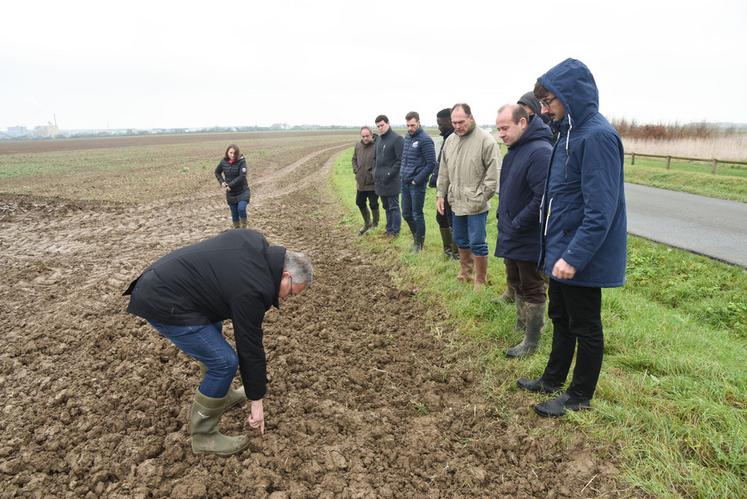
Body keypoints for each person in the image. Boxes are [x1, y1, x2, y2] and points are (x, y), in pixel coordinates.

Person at [123, 229, 313, 454]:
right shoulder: (254, 288)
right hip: (163, 299)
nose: (284, 299)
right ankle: (204, 435)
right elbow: (249, 345)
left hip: (169, 282)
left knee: (215, 328)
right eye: (290, 293)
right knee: (223, 362)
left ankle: (221, 394)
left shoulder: (254, 240)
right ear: (286, 276)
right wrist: (257, 401)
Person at [516, 58, 627, 417]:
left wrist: (574, 257)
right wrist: (553, 252)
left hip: (581, 255)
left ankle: (579, 396)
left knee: (586, 324)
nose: (545, 110)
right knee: (562, 317)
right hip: (560, 248)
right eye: (543, 103)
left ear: (572, 95)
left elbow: (600, 211)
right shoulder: (567, 134)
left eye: (550, 102)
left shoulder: (596, 137)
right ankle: (552, 379)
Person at [494, 104, 552, 358]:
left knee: (532, 285)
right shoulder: (513, 152)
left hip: (529, 234)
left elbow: (542, 197)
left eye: (505, 128)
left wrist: (518, 223)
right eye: (498, 129)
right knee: (515, 280)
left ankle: (531, 341)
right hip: (511, 231)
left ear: (523, 123)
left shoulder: (540, 152)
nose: (501, 134)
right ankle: (521, 324)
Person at [436, 103, 501, 291]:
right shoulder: (450, 141)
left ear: (471, 118)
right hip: (456, 201)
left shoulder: (485, 140)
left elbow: (493, 175)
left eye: (461, 122)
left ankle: (480, 279)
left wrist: (481, 198)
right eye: (454, 122)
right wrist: (441, 194)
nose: (457, 126)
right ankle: (465, 272)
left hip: (476, 204)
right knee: (461, 239)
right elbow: (444, 170)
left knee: (477, 242)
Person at [400, 111, 437, 252]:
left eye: (412, 125)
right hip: (405, 182)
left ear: (419, 123)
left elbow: (431, 163)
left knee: (417, 214)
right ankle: (416, 237)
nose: (410, 128)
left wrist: (417, 180)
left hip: (416, 184)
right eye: (408, 125)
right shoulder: (407, 138)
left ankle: (419, 244)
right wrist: (401, 175)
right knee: (406, 213)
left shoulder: (425, 140)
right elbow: (404, 159)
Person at [429, 108, 459, 260]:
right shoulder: (447, 139)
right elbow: (440, 163)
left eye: (440, 123)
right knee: (441, 218)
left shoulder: (454, 139)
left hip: (452, 188)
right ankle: (448, 250)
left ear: (449, 122)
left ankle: (456, 254)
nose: (438, 127)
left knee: (453, 221)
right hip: (443, 188)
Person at [374, 115, 404, 239]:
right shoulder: (379, 140)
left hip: (392, 181)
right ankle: (389, 229)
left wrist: (388, 174)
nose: (380, 128)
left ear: (388, 123)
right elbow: (375, 159)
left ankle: (395, 232)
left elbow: (400, 160)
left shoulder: (397, 139)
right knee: (386, 206)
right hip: (380, 180)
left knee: (393, 206)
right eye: (378, 126)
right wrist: (375, 172)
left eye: (382, 125)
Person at [214, 144, 250, 228]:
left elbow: (242, 176)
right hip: (231, 193)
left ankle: (244, 227)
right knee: (234, 214)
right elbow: (217, 172)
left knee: (241, 208)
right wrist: (222, 182)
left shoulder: (242, 161)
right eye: (231, 153)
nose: (232, 155)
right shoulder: (223, 162)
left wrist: (230, 185)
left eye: (235, 153)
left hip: (242, 191)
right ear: (227, 152)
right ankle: (237, 230)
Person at [352, 126, 379, 235]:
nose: (365, 138)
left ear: (371, 135)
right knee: (359, 202)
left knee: (373, 204)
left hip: (372, 183)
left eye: (367, 136)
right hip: (361, 182)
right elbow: (354, 159)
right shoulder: (358, 146)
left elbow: (380, 162)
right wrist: (356, 170)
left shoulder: (377, 146)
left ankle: (375, 224)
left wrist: (374, 173)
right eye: (363, 136)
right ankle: (367, 223)